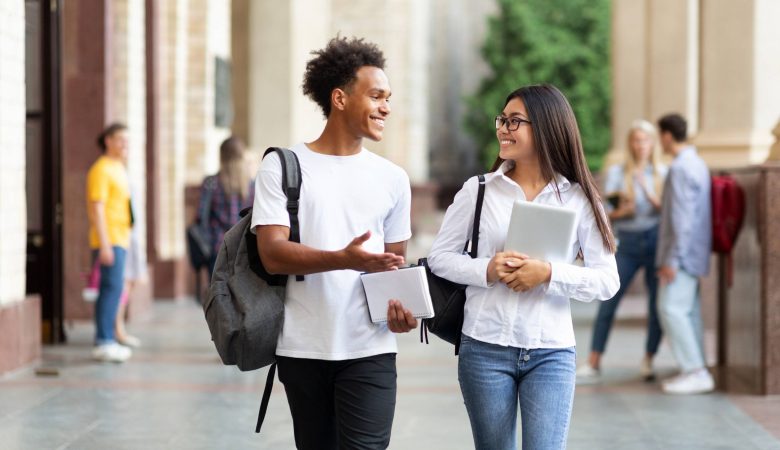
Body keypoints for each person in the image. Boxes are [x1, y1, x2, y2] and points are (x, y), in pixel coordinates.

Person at [428, 84, 619, 450]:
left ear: (547, 127)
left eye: (515, 121)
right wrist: (487, 269)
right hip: (484, 347)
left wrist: (548, 273)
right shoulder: (479, 190)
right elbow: (440, 257)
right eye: (502, 119)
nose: (503, 128)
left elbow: (607, 281)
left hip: (551, 351)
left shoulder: (579, 198)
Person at [251, 36, 418, 449]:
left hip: (371, 348)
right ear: (340, 98)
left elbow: (394, 263)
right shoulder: (282, 165)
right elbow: (272, 254)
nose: (386, 107)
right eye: (376, 95)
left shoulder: (393, 178)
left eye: (388, 98)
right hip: (303, 347)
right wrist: (344, 258)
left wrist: (401, 309)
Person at [577, 120, 667, 383]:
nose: (640, 145)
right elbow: (606, 212)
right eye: (636, 140)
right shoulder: (617, 173)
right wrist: (622, 212)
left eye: (645, 140)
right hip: (627, 243)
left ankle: (649, 359)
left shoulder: (663, 172)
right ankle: (594, 361)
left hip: (654, 242)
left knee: (655, 305)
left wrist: (649, 193)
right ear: (630, 143)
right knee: (608, 301)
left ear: (652, 144)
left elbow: (668, 211)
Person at [655, 113, 714, 395]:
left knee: (671, 308)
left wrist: (671, 260)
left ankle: (695, 371)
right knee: (687, 312)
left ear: (667, 135)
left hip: (682, 255)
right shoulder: (698, 163)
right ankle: (696, 368)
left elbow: (681, 219)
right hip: (695, 252)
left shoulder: (679, 168)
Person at [86, 123, 133, 363]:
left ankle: (107, 339)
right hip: (109, 240)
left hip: (120, 239)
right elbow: (97, 208)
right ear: (108, 141)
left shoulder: (118, 167)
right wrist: (104, 244)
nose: (125, 144)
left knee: (114, 290)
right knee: (110, 290)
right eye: (120, 140)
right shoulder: (101, 169)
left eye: (127, 139)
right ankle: (104, 341)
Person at [196, 136, 255, 278]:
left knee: (218, 295)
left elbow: (201, 216)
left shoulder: (211, 183)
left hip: (217, 249)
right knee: (242, 297)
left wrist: (207, 242)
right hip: (245, 250)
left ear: (221, 156)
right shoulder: (253, 185)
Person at [115, 180, 146, 348]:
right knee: (122, 285)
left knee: (128, 284)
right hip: (122, 239)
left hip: (130, 238)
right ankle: (117, 328)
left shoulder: (125, 178)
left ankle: (119, 327)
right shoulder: (112, 174)